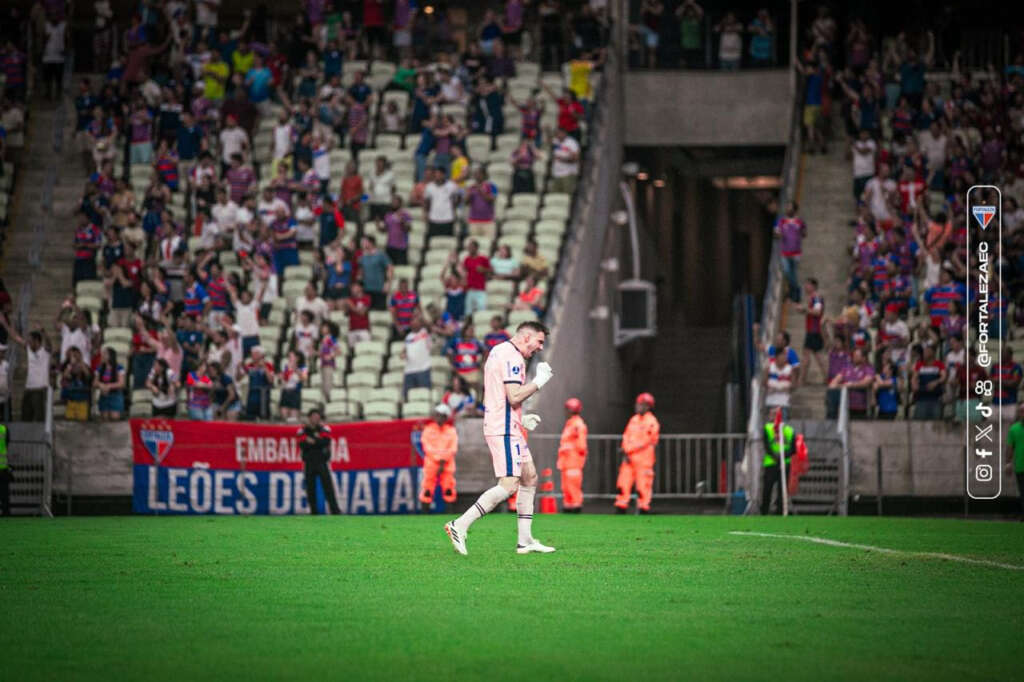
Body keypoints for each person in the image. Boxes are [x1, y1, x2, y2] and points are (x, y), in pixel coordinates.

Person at [444, 321, 555, 555]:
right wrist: (538, 382)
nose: (540, 348)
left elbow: (495, 394)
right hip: (503, 427)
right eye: (539, 341)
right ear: (526, 336)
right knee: (509, 484)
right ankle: (460, 525)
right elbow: (514, 396)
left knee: (530, 477)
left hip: (507, 423)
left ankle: (525, 541)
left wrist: (520, 418)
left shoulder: (499, 350)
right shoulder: (513, 357)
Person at [614, 393, 661, 514]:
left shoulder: (652, 422)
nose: (637, 406)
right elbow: (626, 436)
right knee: (623, 483)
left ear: (647, 406)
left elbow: (646, 440)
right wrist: (625, 450)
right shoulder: (633, 420)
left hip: (643, 459)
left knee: (643, 485)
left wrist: (628, 450)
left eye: (640, 404)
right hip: (629, 458)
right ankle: (621, 506)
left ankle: (643, 508)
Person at [298, 408, 341, 514]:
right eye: (313, 417)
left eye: (317, 417)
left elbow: (325, 441)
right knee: (310, 489)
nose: (315, 419)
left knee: (328, 487)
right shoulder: (302, 430)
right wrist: (317, 440)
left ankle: (334, 510)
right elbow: (302, 443)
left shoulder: (324, 428)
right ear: (309, 418)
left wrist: (312, 440)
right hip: (309, 462)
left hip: (322, 462)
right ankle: (313, 511)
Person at [419, 404, 459, 509]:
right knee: (427, 489)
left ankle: (450, 514)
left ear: (446, 417)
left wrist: (443, 461)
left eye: (441, 415)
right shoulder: (428, 430)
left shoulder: (451, 431)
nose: (438, 417)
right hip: (431, 463)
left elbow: (452, 448)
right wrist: (439, 459)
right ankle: (424, 514)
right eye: (437, 415)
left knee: (448, 489)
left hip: (447, 464)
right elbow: (427, 447)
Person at [557, 397, 588, 513]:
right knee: (566, 486)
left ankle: (576, 505)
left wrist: (573, 453)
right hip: (567, 461)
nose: (565, 412)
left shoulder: (577, 425)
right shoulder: (570, 424)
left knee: (573, 485)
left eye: (567, 409)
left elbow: (581, 445)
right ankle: (568, 505)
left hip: (573, 460)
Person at [761, 413, 795, 515]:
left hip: (785, 464)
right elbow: (766, 445)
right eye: (772, 414)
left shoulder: (789, 430)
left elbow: (793, 449)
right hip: (771, 463)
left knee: (782, 489)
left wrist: (783, 456)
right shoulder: (767, 428)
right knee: (767, 488)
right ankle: (764, 511)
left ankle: (780, 511)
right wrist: (776, 456)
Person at [0, 421, 11, 515]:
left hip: (3, 466)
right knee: (4, 492)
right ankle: (6, 511)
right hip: (3, 466)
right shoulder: (4, 429)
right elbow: (7, 443)